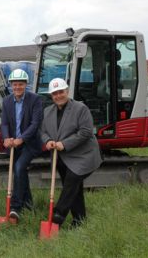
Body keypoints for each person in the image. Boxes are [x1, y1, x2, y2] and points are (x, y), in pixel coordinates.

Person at [41, 78, 102, 228]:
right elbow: (42, 131)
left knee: (71, 182)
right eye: (54, 93)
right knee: (75, 189)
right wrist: (48, 140)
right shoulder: (47, 112)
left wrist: (64, 144)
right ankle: (79, 221)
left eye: (61, 92)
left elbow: (86, 132)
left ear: (67, 91)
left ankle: (57, 217)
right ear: (51, 96)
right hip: (61, 157)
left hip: (83, 155)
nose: (58, 96)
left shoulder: (80, 109)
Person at [0, 69, 43, 221]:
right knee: (21, 172)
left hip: (30, 144)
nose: (17, 87)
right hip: (13, 144)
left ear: (26, 84)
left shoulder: (35, 99)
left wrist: (22, 139)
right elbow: (4, 123)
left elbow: (35, 123)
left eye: (20, 84)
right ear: (11, 85)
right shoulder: (6, 101)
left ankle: (15, 208)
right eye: (14, 84)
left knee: (18, 168)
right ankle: (29, 205)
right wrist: (6, 138)